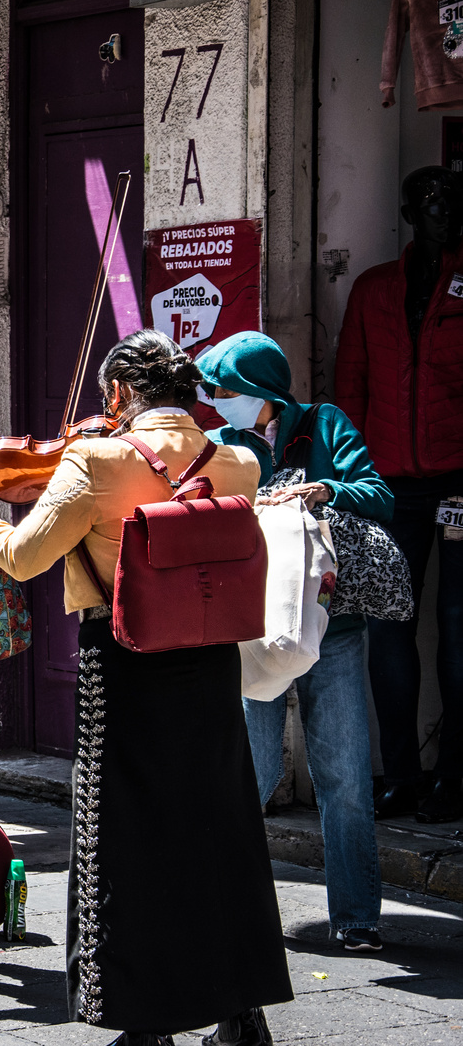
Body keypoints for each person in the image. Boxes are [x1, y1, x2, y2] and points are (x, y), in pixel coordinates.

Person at [0, 330, 291, 1045]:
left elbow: (20, 557)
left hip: (124, 660)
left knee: (121, 839)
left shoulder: (97, 459)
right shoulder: (240, 462)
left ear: (119, 394)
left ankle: (143, 1021)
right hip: (211, 662)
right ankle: (240, 1013)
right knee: (219, 831)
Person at [198, 331, 391, 953]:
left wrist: (324, 490)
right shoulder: (222, 444)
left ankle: (357, 918)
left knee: (345, 777)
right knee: (248, 772)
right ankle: (229, 905)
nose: (217, 402)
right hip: (253, 626)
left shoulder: (324, 424)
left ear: (260, 392)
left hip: (332, 627)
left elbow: (379, 494)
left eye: (226, 391)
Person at [336, 165, 463, 824]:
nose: (445, 213)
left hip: (459, 485)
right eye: (433, 203)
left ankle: (453, 777)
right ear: (411, 210)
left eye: (453, 202)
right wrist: (353, 479)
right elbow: (351, 385)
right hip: (391, 488)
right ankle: (400, 774)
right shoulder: (376, 289)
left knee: (458, 633)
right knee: (390, 632)